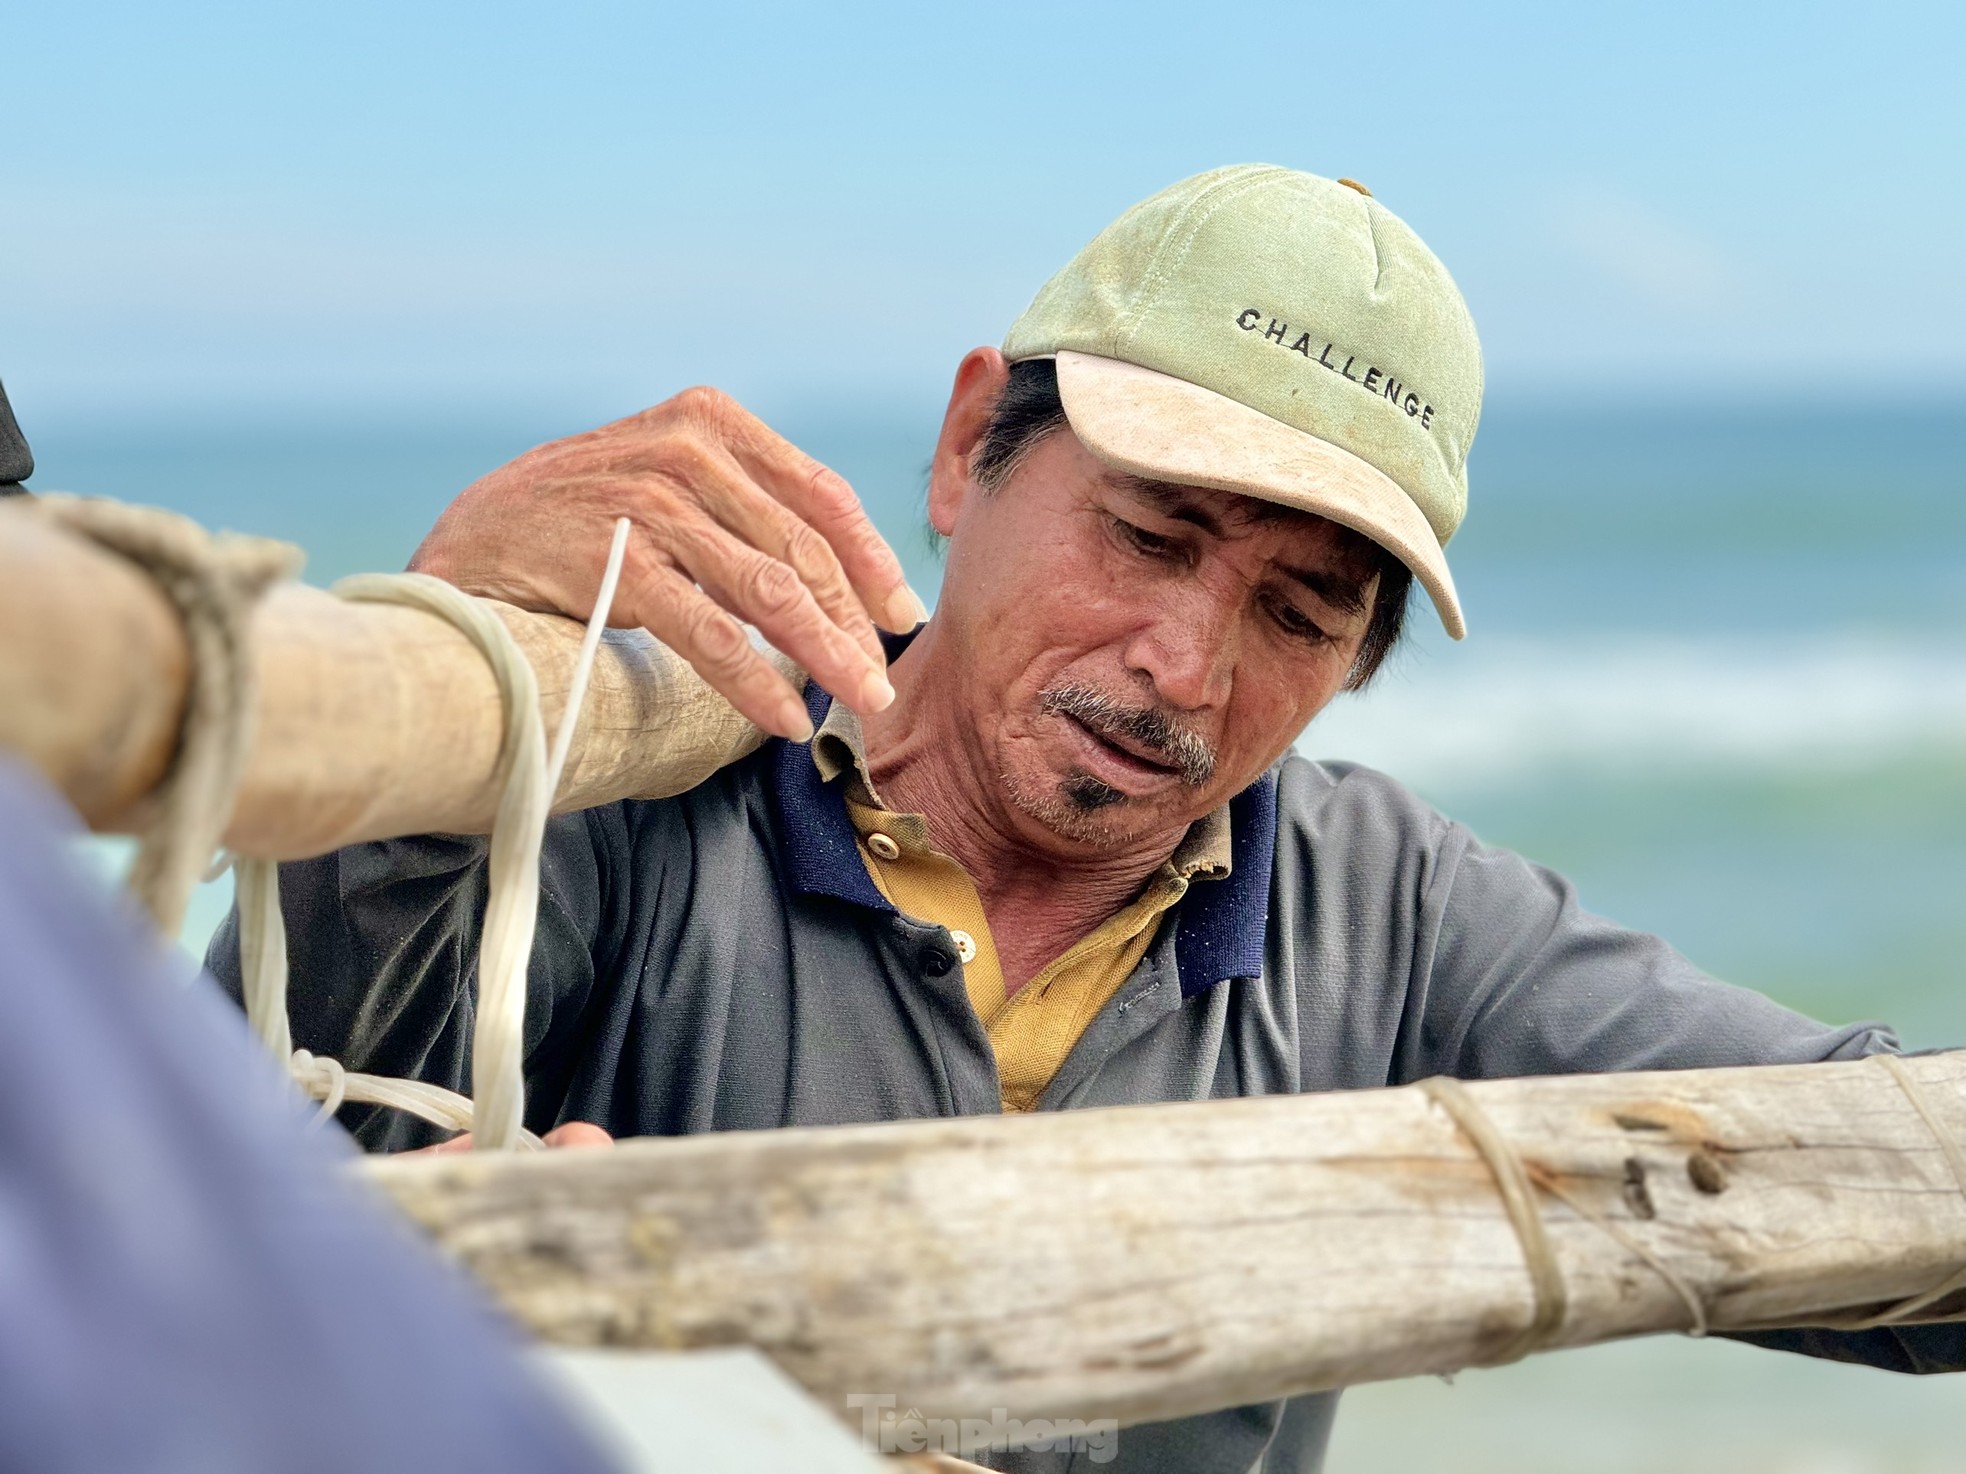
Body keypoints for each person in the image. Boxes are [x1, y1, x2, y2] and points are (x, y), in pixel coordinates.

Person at [207, 165, 1966, 1472]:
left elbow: (1869, 1174)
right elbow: (205, 1205)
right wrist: (430, 657)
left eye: (1299, 610)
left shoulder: (1393, 910)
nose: (1185, 666)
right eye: (1150, 533)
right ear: (971, 442)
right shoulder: (638, 786)